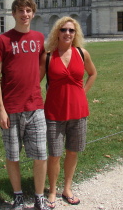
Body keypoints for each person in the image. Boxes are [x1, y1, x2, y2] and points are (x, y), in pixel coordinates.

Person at [0, 0, 49, 210]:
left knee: (41, 155)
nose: (25, 14)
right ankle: (17, 195)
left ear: (33, 13)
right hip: (11, 107)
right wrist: (0, 109)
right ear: (13, 13)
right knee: (12, 156)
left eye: (28, 10)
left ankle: (39, 196)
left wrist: (34, 82)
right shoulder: (2, 41)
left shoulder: (39, 38)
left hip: (35, 106)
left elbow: (42, 63)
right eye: (21, 11)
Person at [40, 17, 97, 209]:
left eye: (71, 31)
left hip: (78, 111)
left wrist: (83, 92)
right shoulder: (48, 56)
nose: (67, 33)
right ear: (57, 32)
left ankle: (67, 188)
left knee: (72, 151)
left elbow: (93, 73)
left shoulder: (82, 53)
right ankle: (53, 191)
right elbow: (35, 81)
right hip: (54, 113)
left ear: (76, 34)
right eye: (63, 30)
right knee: (54, 154)